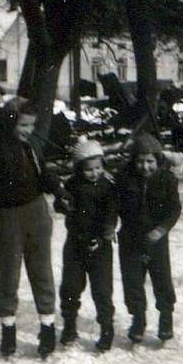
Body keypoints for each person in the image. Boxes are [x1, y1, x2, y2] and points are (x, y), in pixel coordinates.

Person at [0, 99, 71, 358]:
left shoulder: (30, 147)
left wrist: (60, 191)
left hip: (37, 215)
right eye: (23, 125)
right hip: (7, 219)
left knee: (42, 273)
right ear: (9, 122)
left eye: (31, 125)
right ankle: (8, 332)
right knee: (8, 277)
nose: (28, 130)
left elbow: (44, 174)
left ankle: (48, 328)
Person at [116, 133, 182, 343]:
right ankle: (138, 318)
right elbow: (113, 205)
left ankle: (165, 317)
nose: (145, 167)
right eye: (140, 161)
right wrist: (109, 225)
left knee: (161, 279)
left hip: (156, 240)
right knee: (133, 281)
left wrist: (161, 230)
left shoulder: (167, 180)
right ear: (133, 160)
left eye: (150, 162)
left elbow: (174, 209)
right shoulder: (124, 180)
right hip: (130, 238)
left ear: (158, 160)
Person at [55, 138, 118, 352]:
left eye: (98, 167)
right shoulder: (72, 184)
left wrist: (103, 236)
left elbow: (111, 213)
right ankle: (70, 326)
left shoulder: (107, 186)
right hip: (75, 244)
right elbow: (61, 203)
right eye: (89, 169)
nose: (94, 173)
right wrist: (61, 203)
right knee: (70, 287)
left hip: (100, 247)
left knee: (102, 290)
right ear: (79, 168)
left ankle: (107, 329)